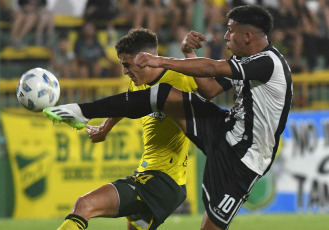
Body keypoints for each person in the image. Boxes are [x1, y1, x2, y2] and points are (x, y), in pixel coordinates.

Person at [44, 5, 293, 230]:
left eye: (230, 30)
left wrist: (160, 60)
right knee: (162, 94)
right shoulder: (244, 59)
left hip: (243, 159)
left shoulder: (269, 63)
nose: (226, 36)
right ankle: (81, 110)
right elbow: (209, 89)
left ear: (247, 36)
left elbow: (213, 68)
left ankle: (82, 110)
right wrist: (188, 54)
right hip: (224, 129)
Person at [48, 27, 201, 230]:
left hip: (162, 180)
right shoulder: (138, 83)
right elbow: (126, 105)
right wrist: (105, 127)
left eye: (127, 65)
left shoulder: (179, 79)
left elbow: (207, 84)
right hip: (161, 181)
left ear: (144, 60)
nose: (124, 71)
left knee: (85, 205)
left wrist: (189, 55)